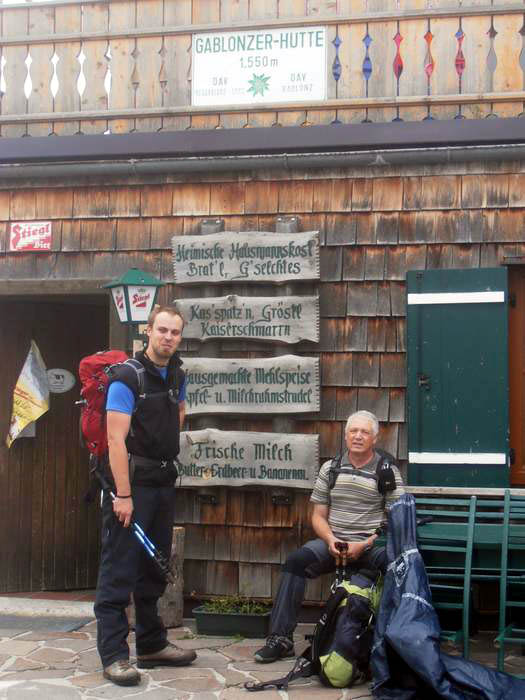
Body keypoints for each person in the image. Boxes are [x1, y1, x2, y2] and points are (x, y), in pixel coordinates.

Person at [94, 305, 196, 687]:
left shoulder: (177, 375)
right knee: (120, 569)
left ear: (180, 337)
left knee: (155, 566)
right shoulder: (127, 377)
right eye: (162, 330)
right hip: (131, 484)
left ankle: (151, 644)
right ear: (148, 331)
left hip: (162, 482)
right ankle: (114, 655)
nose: (168, 337)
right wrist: (123, 494)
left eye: (175, 332)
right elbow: (115, 440)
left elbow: (179, 414)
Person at [254, 410, 405, 664]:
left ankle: (387, 642)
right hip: (334, 543)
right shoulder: (330, 468)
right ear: (345, 436)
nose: (358, 436)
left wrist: (364, 543)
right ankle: (280, 639)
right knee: (295, 562)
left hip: (370, 545)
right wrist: (331, 540)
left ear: (375, 438)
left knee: (394, 566)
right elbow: (318, 516)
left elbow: (396, 519)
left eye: (365, 432)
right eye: (353, 431)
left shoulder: (387, 471)